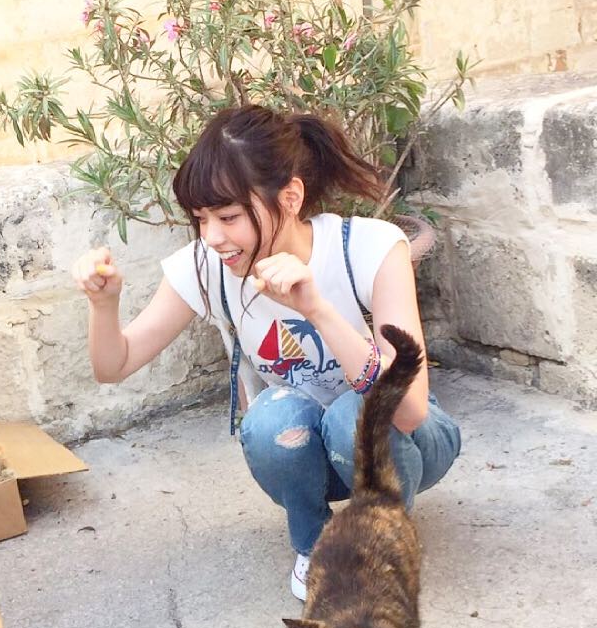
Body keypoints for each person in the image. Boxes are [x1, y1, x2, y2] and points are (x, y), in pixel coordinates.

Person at [72, 105, 461, 601]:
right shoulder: (207, 267)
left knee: (351, 415)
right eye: (201, 219)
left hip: (410, 441)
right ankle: (316, 546)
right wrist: (103, 305)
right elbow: (114, 366)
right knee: (269, 419)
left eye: (229, 216)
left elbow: (409, 410)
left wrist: (317, 310)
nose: (212, 237)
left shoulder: (368, 248)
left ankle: (382, 549)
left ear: (290, 197)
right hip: (312, 452)